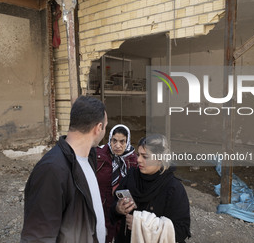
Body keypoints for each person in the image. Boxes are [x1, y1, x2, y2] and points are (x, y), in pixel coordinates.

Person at [20, 95, 108, 243]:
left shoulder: (90, 157)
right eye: (106, 126)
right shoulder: (52, 169)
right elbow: (38, 237)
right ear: (98, 128)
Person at [110, 134, 191, 243]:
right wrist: (118, 209)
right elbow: (112, 209)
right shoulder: (131, 178)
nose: (138, 160)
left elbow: (181, 231)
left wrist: (141, 225)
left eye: (145, 156)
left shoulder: (173, 188)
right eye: (138, 155)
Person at [96, 124, 138, 243]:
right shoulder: (99, 155)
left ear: (127, 141)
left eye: (122, 141)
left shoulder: (134, 160)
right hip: (102, 207)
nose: (117, 145)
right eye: (114, 141)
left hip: (122, 210)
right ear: (110, 139)